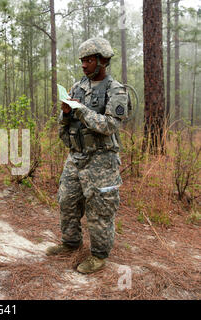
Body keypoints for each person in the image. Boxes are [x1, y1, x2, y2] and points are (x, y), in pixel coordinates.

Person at [46, 38, 129, 274]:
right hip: (77, 156)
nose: (83, 65)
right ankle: (70, 243)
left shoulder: (116, 91)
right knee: (67, 200)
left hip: (102, 160)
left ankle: (99, 255)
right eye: (82, 60)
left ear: (103, 61)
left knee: (100, 208)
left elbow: (110, 125)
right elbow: (66, 122)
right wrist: (65, 113)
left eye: (89, 60)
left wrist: (81, 111)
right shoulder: (77, 87)